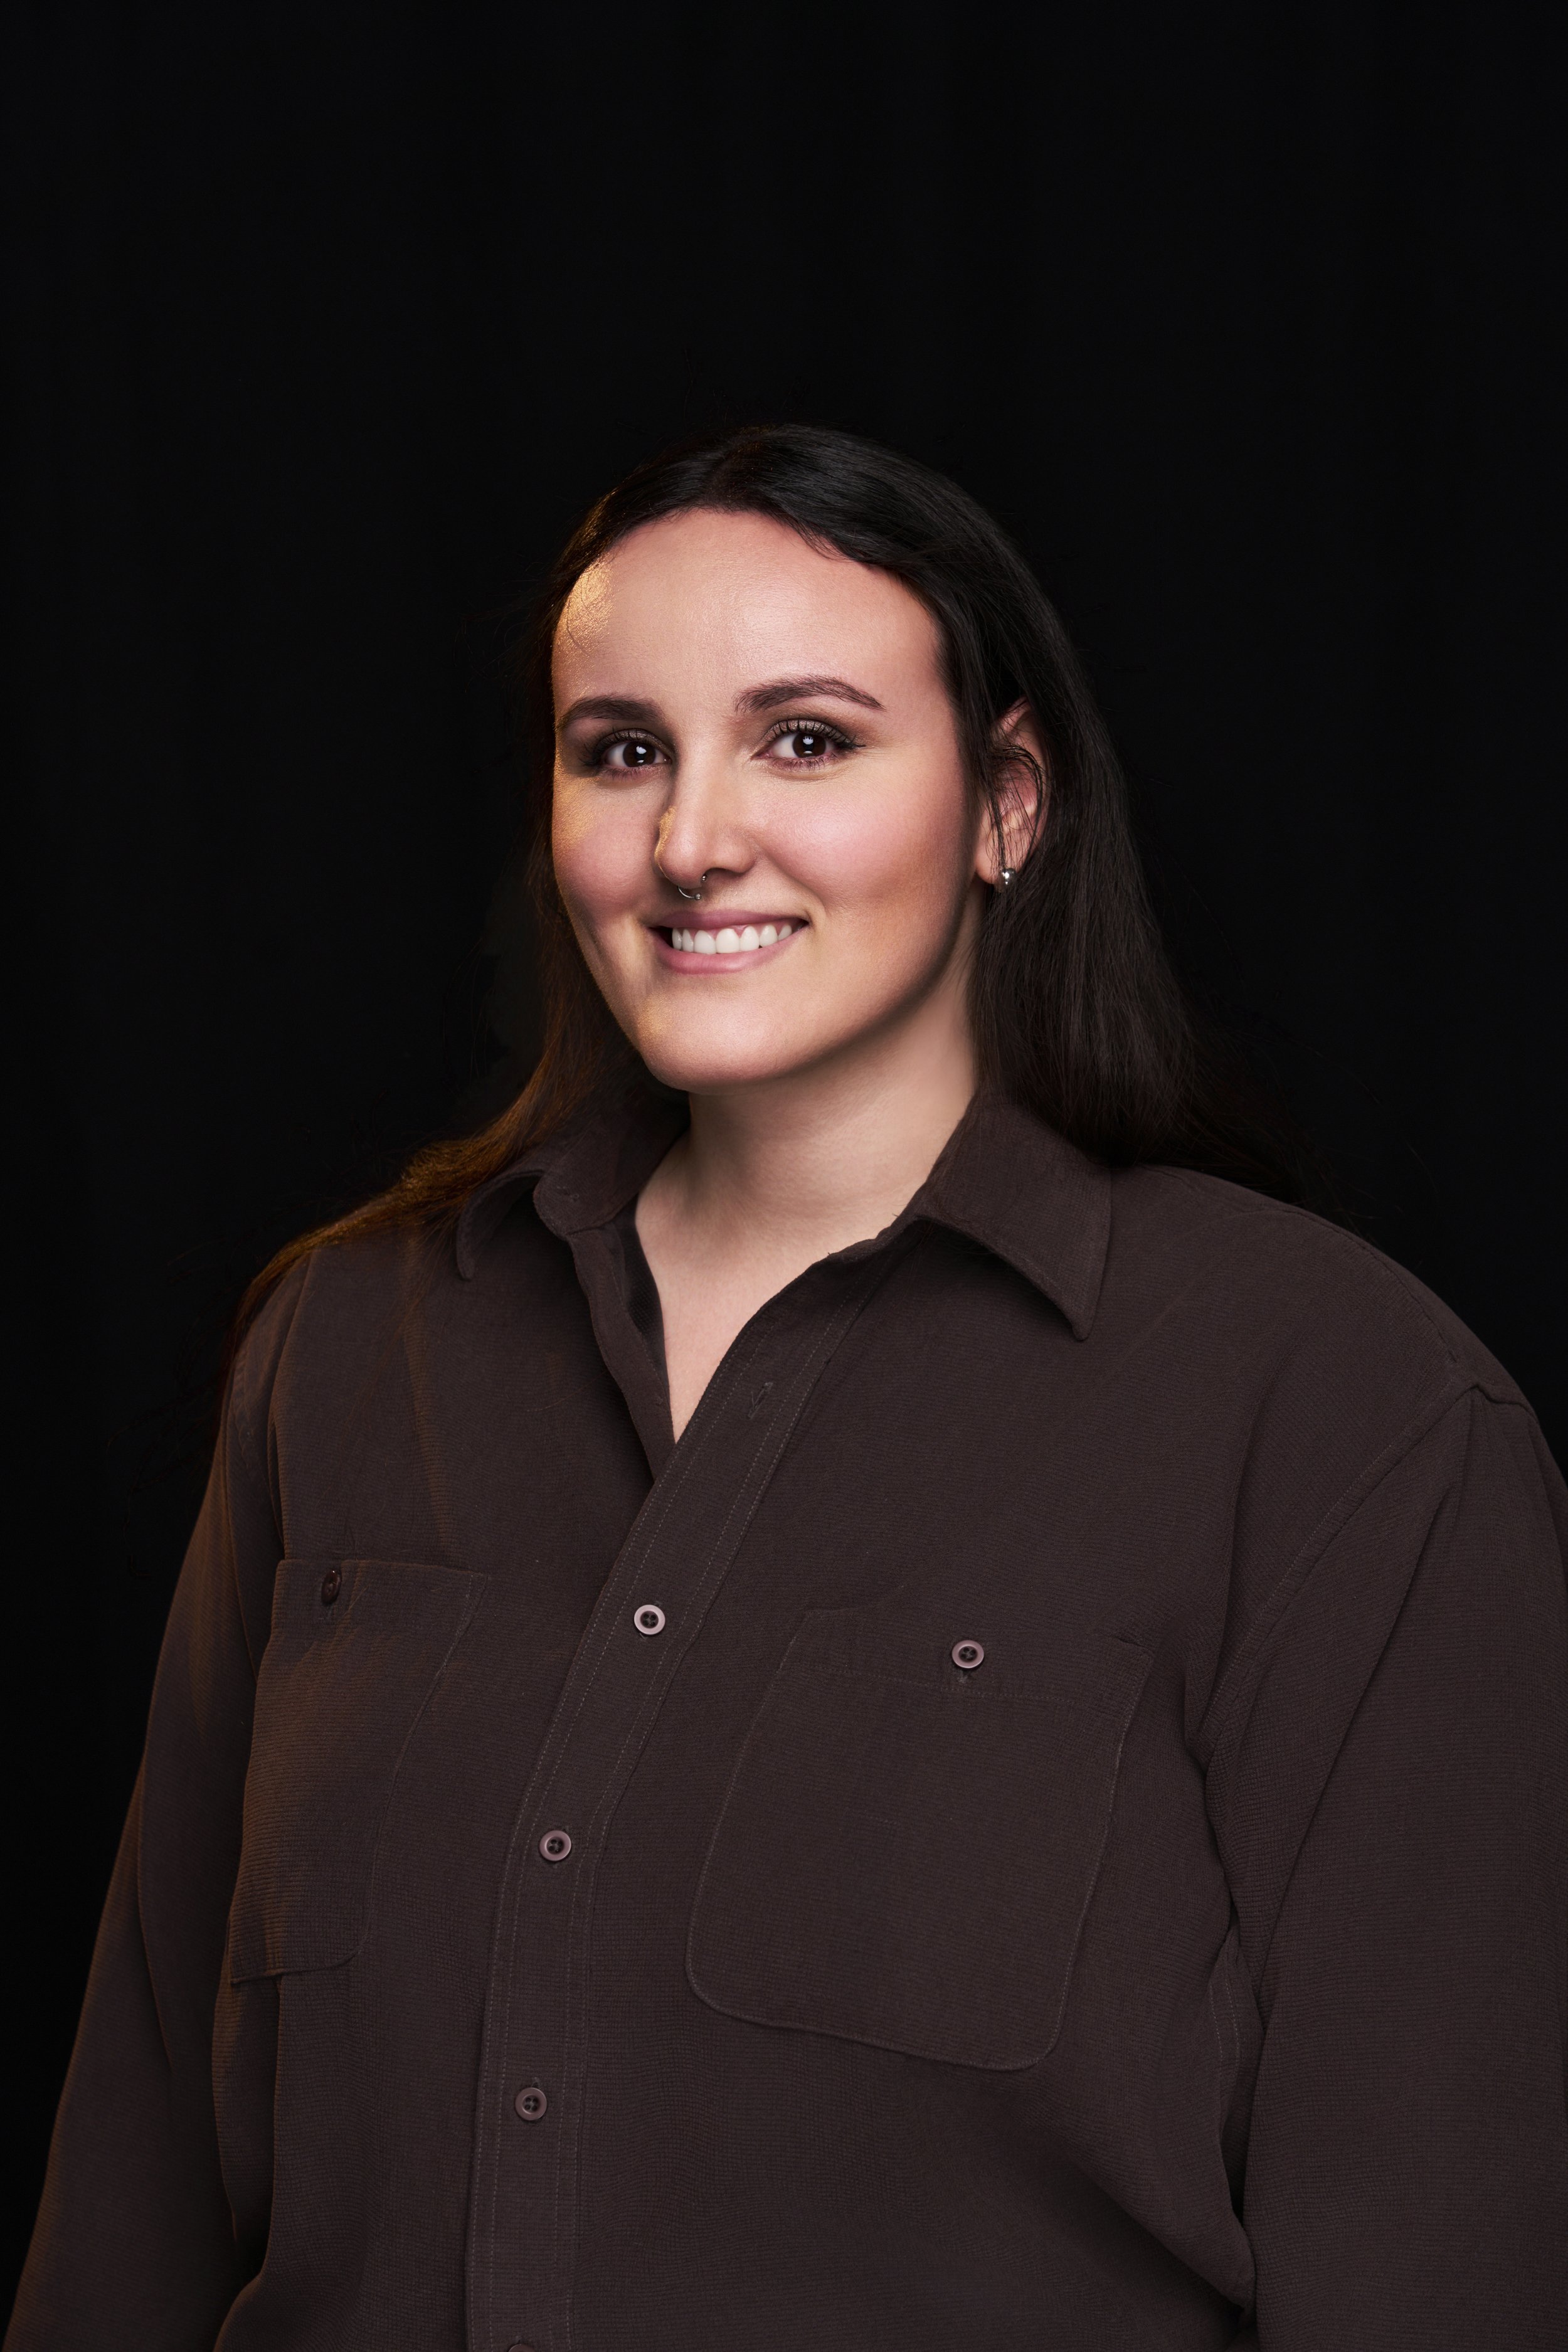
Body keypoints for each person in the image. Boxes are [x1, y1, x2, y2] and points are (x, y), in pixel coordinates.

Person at [9, 425, 1565, 2352]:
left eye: (806, 740)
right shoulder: (346, 1354)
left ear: (1008, 803)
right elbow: (141, 2175)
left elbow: (1430, 2263)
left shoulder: (1344, 1413)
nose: (689, 840)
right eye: (622, 750)